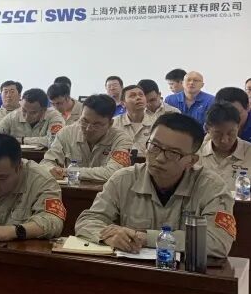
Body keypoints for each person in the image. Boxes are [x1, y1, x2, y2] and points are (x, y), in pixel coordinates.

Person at [74, 114, 236, 259]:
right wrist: (107, 236)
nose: (159, 158)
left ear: (191, 161)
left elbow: (218, 242)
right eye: (154, 147)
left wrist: (147, 238)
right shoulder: (123, 179)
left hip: (186, 276)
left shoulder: (212, 187)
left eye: (173, 153)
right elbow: (88, 220)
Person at [198, 102, 251, 201]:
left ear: (238, 127)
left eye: (231, 133)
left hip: (242, 208)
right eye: (218, 134)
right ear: (206, 129)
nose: (224, 140)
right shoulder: (195, 153)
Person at [44, 94, 134, 182]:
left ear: (110, 123)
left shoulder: (121, 139)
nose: (88, 128)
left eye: (97, 124)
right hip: (70, 189)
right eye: (84, 121)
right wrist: (51, 169)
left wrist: (69, 171)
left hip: (107, 191)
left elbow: (113, 172)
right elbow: (46, 162)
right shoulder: (66, 133)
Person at [0, 88, 65, 147]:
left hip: (46, 158)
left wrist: (22, 140)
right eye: (24, 110)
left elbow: (54, 141)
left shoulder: (55, 116)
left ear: (44, 110)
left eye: (33, 113)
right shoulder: (13, 116)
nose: (27, 116)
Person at [114, 84, 153, 154]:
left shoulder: (156, 122)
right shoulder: (114, 123)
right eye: (132, 96)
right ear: (123, 103)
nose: (138, 98)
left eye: (141, 95)